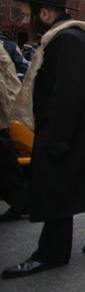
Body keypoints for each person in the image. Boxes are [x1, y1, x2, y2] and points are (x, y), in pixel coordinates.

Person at [3, 0, 85, 279]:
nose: (24, 20)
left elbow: (68, 94)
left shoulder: (67, 40)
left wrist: (58, 138)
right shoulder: (72, 37)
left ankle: (51, 253)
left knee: (55, 194)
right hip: (83, 133)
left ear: (44, 13)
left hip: (69, 133)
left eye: (27, 13)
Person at [0, 39, 28, 222]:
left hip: (3, 116)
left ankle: (21, 201)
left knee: (5, 162)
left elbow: (20, 72)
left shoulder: (7, 46)